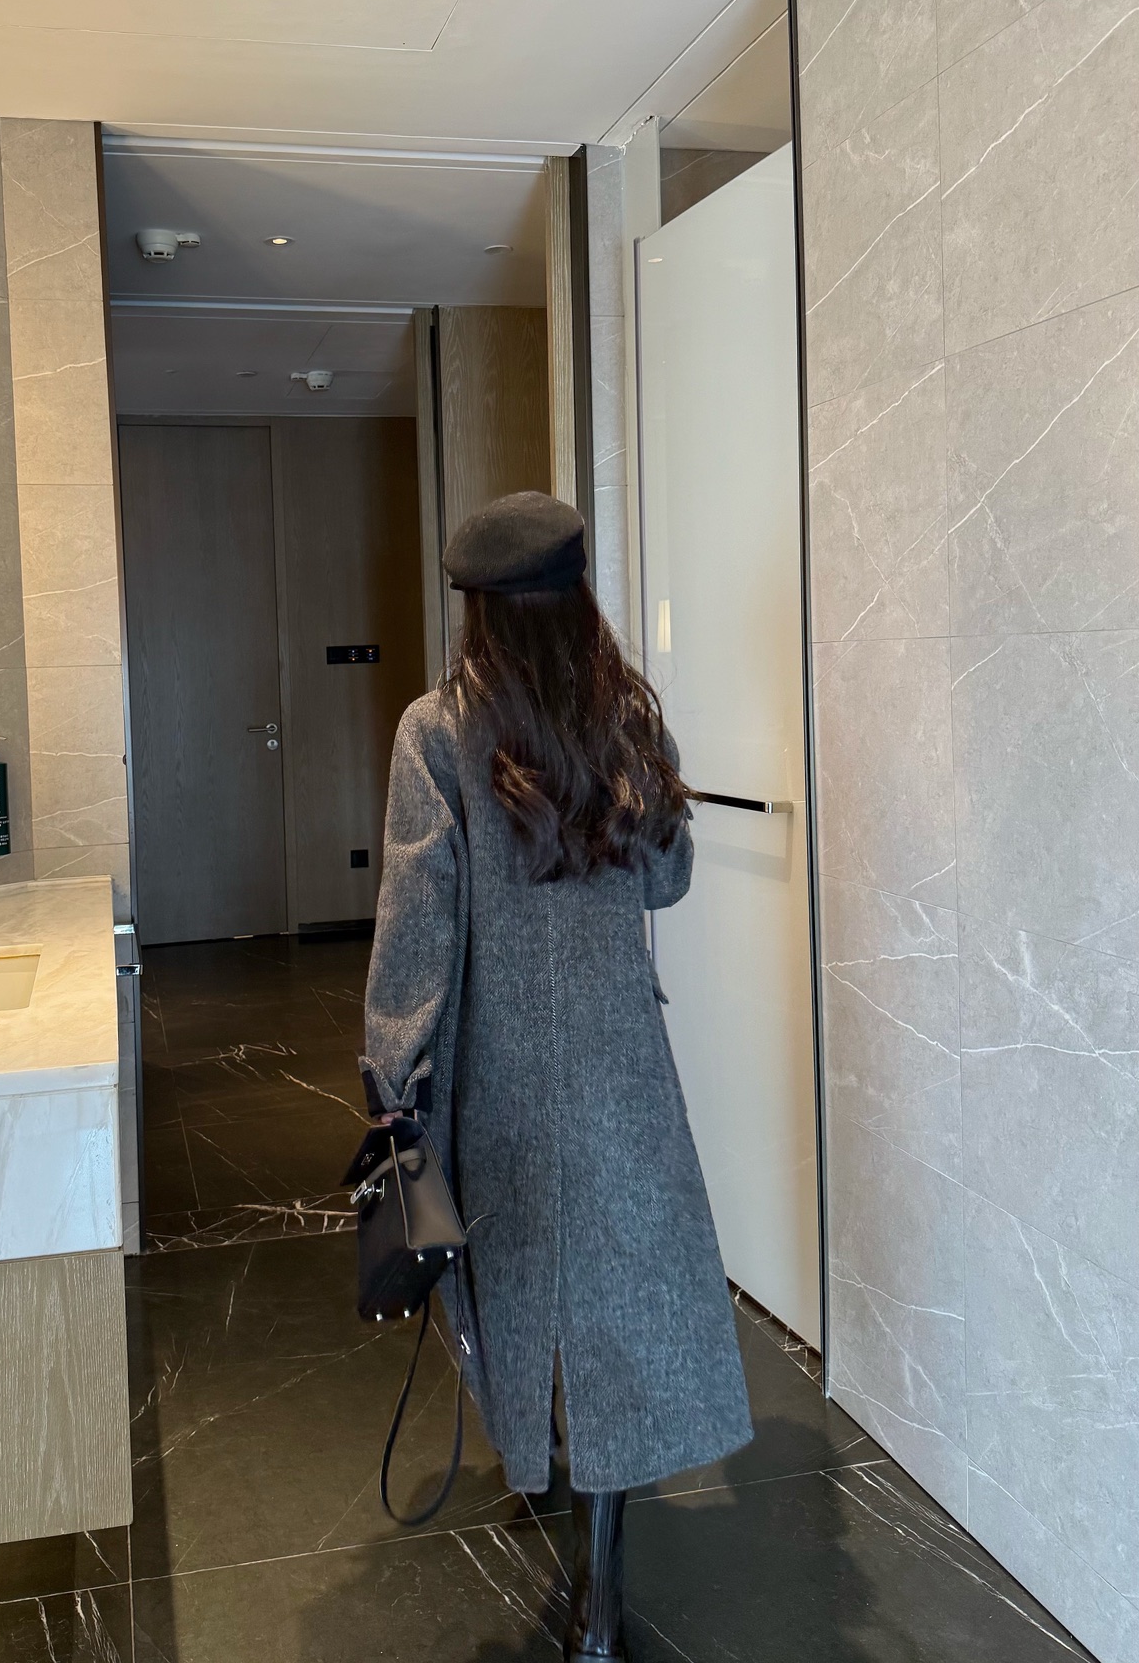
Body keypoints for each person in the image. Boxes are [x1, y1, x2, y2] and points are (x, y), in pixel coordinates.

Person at [361, 490, 752, 1662]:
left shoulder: (437, 730)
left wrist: (392, 1071)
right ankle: (605, 1593)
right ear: (577, 598)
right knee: (622, 1299)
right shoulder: (621, 719)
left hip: (504, 1077)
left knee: (523, 1287)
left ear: (477, 610)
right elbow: (668, 880)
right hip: (621, 1066)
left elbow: (418, 918)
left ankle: (542, 1462)